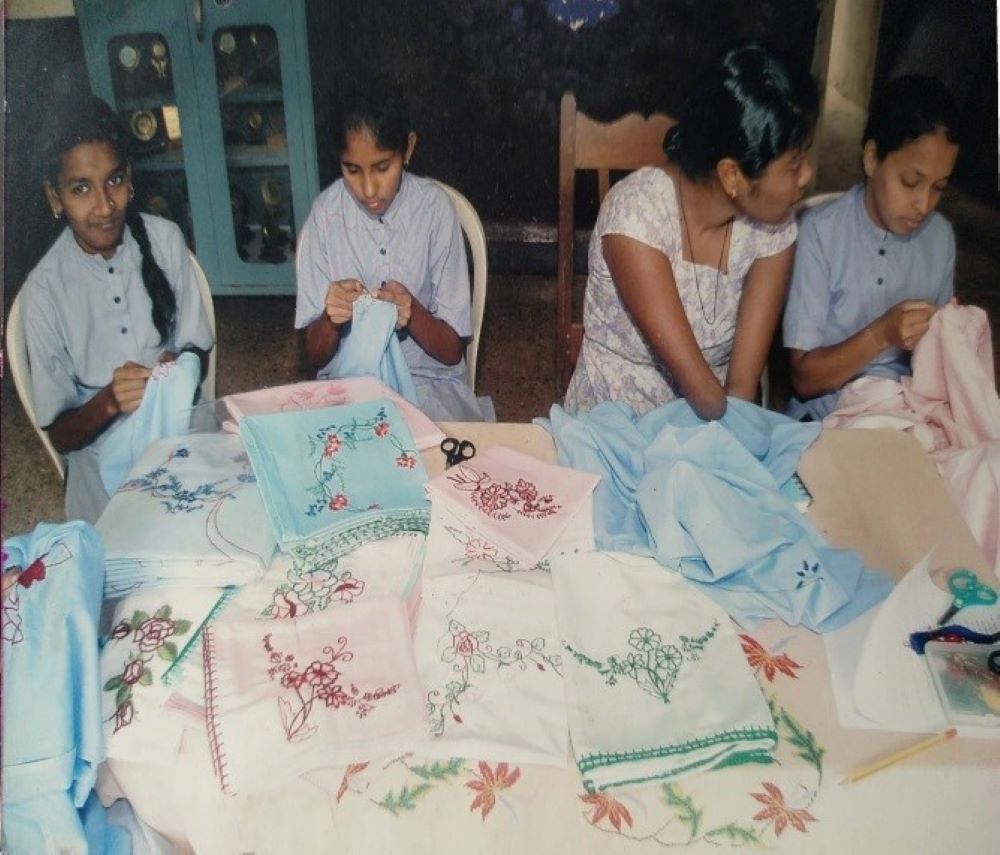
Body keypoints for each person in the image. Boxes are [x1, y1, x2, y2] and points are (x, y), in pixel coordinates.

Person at [564, 42, 817, 420]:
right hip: (616, 422)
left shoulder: (773, 227)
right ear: (732, 175)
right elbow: (704, 394)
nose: (808, 175)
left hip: (718, 418)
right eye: (794, 163)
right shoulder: (636, 217)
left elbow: (742, 386)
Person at [20, 95, 214, 524]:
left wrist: (177, 365)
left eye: (113, 180)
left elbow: (198, 350)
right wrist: (109, 402)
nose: (105, 206)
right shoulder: (43, 293)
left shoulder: (164, 241)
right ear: (55, 197)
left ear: (129, 179)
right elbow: (62, 433)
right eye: (81, 189)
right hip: (98, 454)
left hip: (178, 426)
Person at [295, 85, 489, 422]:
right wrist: (330, 319)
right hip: (347, 386)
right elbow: (314, 356)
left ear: (408, 148)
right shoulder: (325, 217)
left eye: (382, 167)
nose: (368, 189)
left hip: (427, 383)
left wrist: (413, 312)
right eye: (352, 170)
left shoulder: (435, 212)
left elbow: (451, 350)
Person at [783, 76, 960, 421]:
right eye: (911, 182)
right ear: (872, 158)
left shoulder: (940, 239)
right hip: (826, 415)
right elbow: (804, 379)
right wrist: (882, 334)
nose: (923, 204)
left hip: (908, 413)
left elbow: (942, 363)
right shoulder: (821, 233)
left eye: (939, 188)